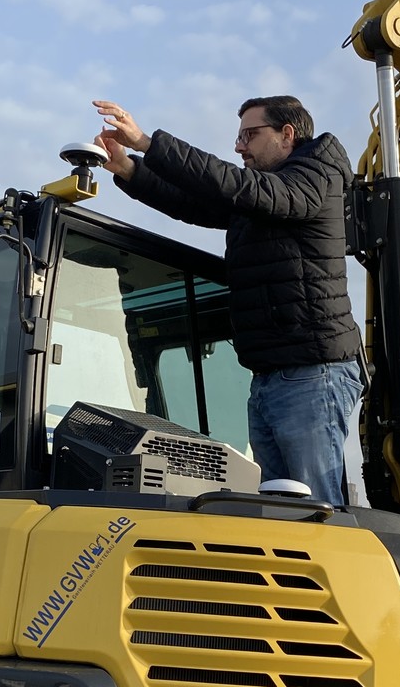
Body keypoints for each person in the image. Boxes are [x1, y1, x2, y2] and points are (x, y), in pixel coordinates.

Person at [93, 94, 362, 507]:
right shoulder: (266, 196)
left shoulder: (313, 179)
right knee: (279, 510)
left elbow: (232, 184)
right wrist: (128, 168)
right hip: (270, 377)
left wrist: (147, 143)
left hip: (311, 375)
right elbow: (195, 201)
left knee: (315, 511)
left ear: (287, 134)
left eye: (249, 135)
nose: (239, 147)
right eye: (238, 138)